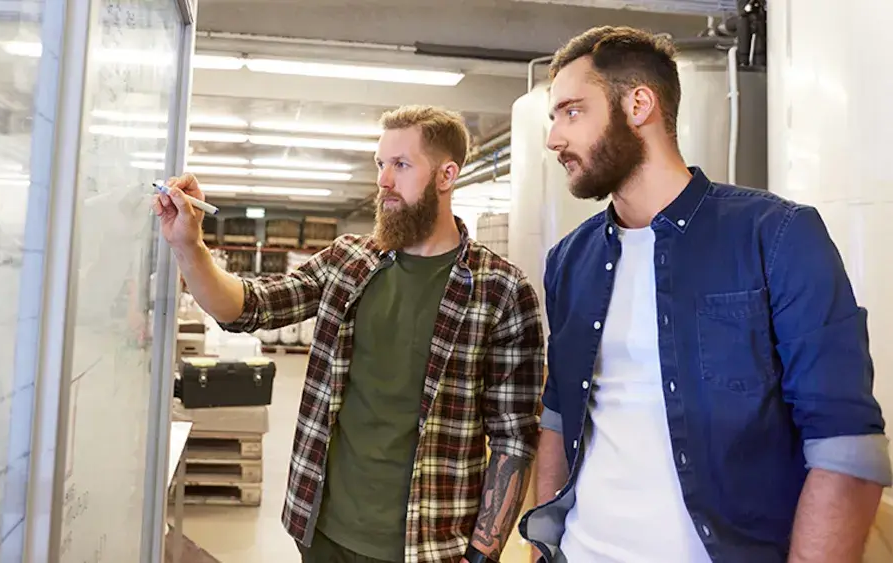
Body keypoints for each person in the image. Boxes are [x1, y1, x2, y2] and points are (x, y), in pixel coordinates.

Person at [518, 25, 892, 563]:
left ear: (639, 104)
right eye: (553, 117)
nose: (554, 138)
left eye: (572, 111)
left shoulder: (778, 236)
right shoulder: (569, 260)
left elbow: (846, 448)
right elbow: (558, 414)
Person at [153, 105, 544, 563]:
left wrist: (483, 553)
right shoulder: (349, 261)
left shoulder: (501, 290)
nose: (383, 181)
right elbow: (250, 306)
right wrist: (189, 245)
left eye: (401, 165)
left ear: (446, 175)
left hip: (429, 544)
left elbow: (513, 438)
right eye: (381, 164)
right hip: (321, 531)